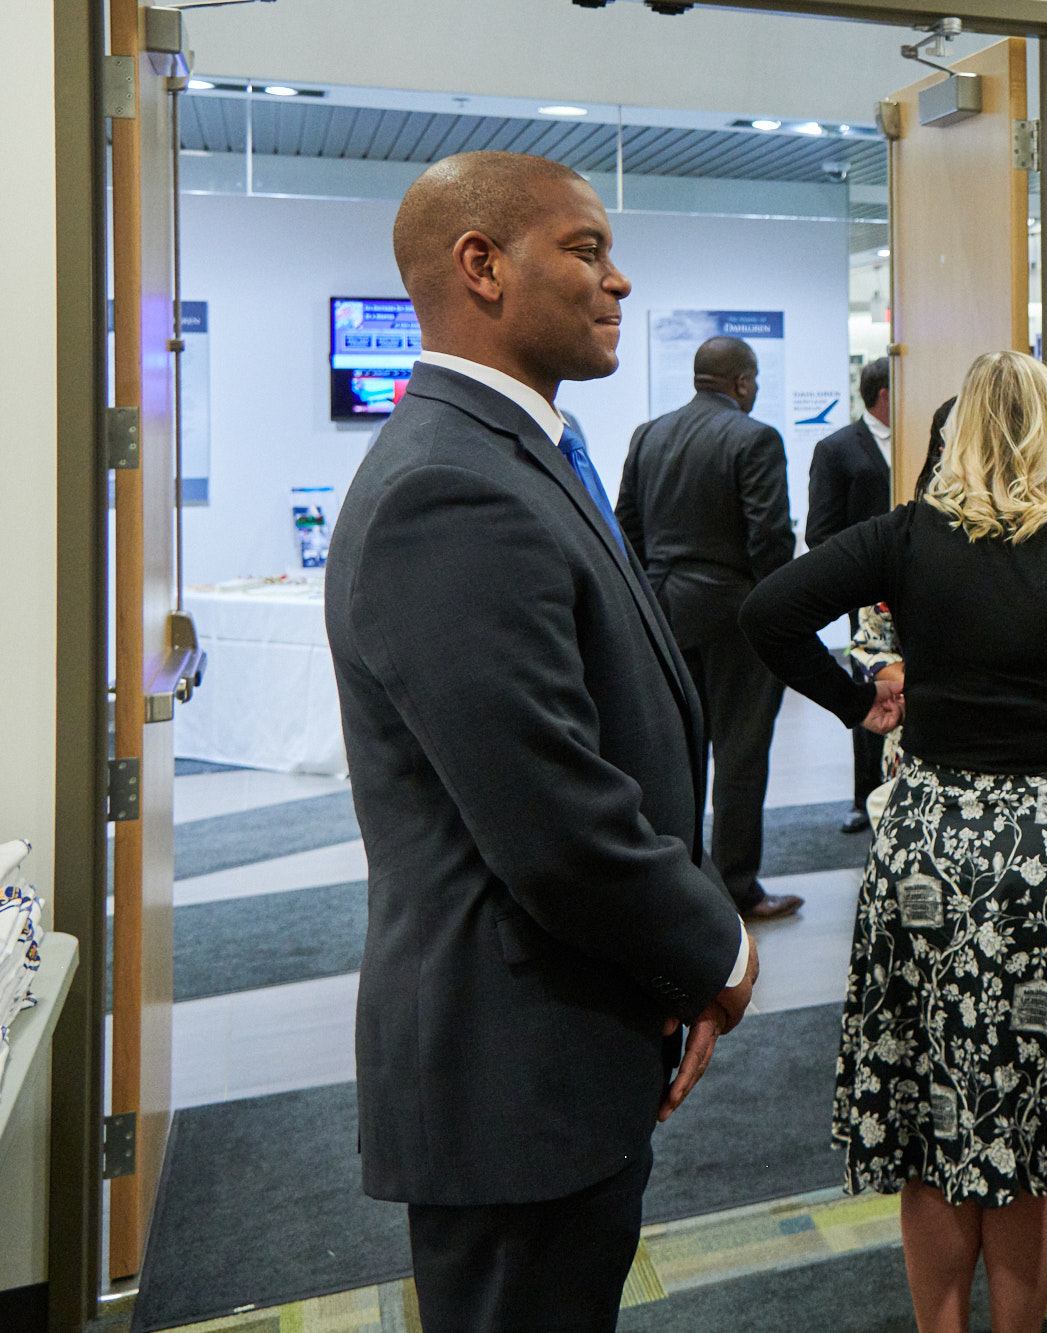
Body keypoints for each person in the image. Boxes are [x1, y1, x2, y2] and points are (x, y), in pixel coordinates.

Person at [325, 151, 757, 1332]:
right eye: (585, 249)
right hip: (510, 1070)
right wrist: (715, 949)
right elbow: (552, 815)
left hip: (563, 1038)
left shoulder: (514, 453)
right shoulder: (446, 488)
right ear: (483, 266)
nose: (619, 280)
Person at [741, 351, 1047, 1333]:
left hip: (929, 848)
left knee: (934, 1114)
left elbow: (767, 613)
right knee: (1032, 1124)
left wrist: (857, 699)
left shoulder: (903, 539)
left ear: (956, 433)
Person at [617, 336, 804, 921]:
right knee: (741, 755)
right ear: (742, 382)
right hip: (735, 618)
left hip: (665, 614)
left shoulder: (648, 435)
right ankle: (738, 888)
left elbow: (626, 528)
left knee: (676, 755)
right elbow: (769, 536)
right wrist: (778, 613)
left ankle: (679, 884)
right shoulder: (755, 438)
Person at [806, 356, 894, 834]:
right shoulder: (836, 449)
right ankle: (865, 797)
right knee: (869, 686)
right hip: (866, 597)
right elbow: (820, 532)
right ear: (884, 394)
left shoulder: (923, 441)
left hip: (915, 590)